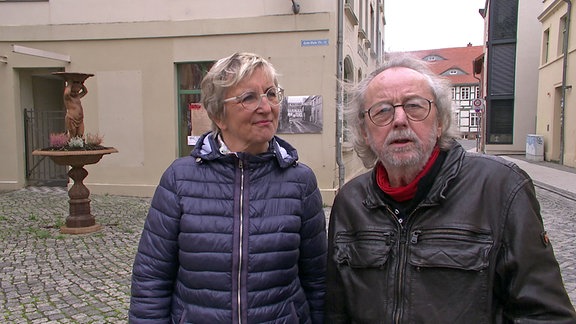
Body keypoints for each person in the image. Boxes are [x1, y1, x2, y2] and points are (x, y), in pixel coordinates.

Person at [325, 53, 576, 323]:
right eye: (383, 110)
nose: (399, 119)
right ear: (364, 131)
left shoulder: (500, 188)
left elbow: (546, 315)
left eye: (414, 106)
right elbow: (336, 312)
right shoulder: (349, 202)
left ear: (440, 122)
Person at [129, 52, 327, 323]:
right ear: (218, 115)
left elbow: (317, 280)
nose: (266, 106)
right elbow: (151, 278)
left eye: (271, 93)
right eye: (249, 97)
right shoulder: (179, 180)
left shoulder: (300, 181)